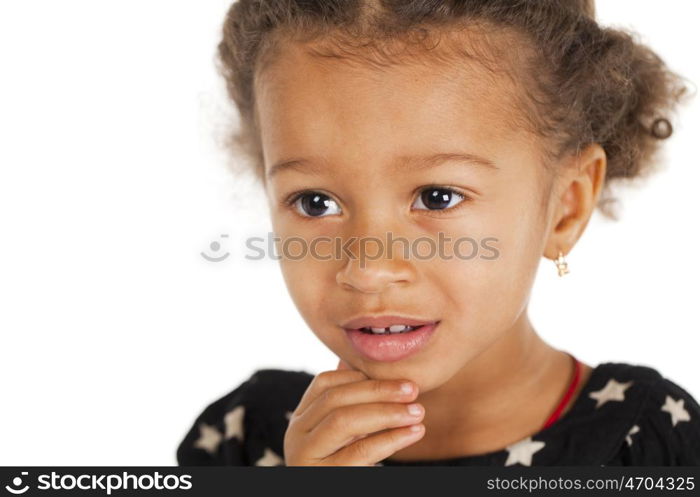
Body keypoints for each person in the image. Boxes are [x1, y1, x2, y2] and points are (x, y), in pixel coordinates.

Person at [177, 0, 699, 466]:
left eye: (437, 197)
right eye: (316, 202)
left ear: (565, 206)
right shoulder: (241, 441)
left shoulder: (647, 445)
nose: (368, 269)